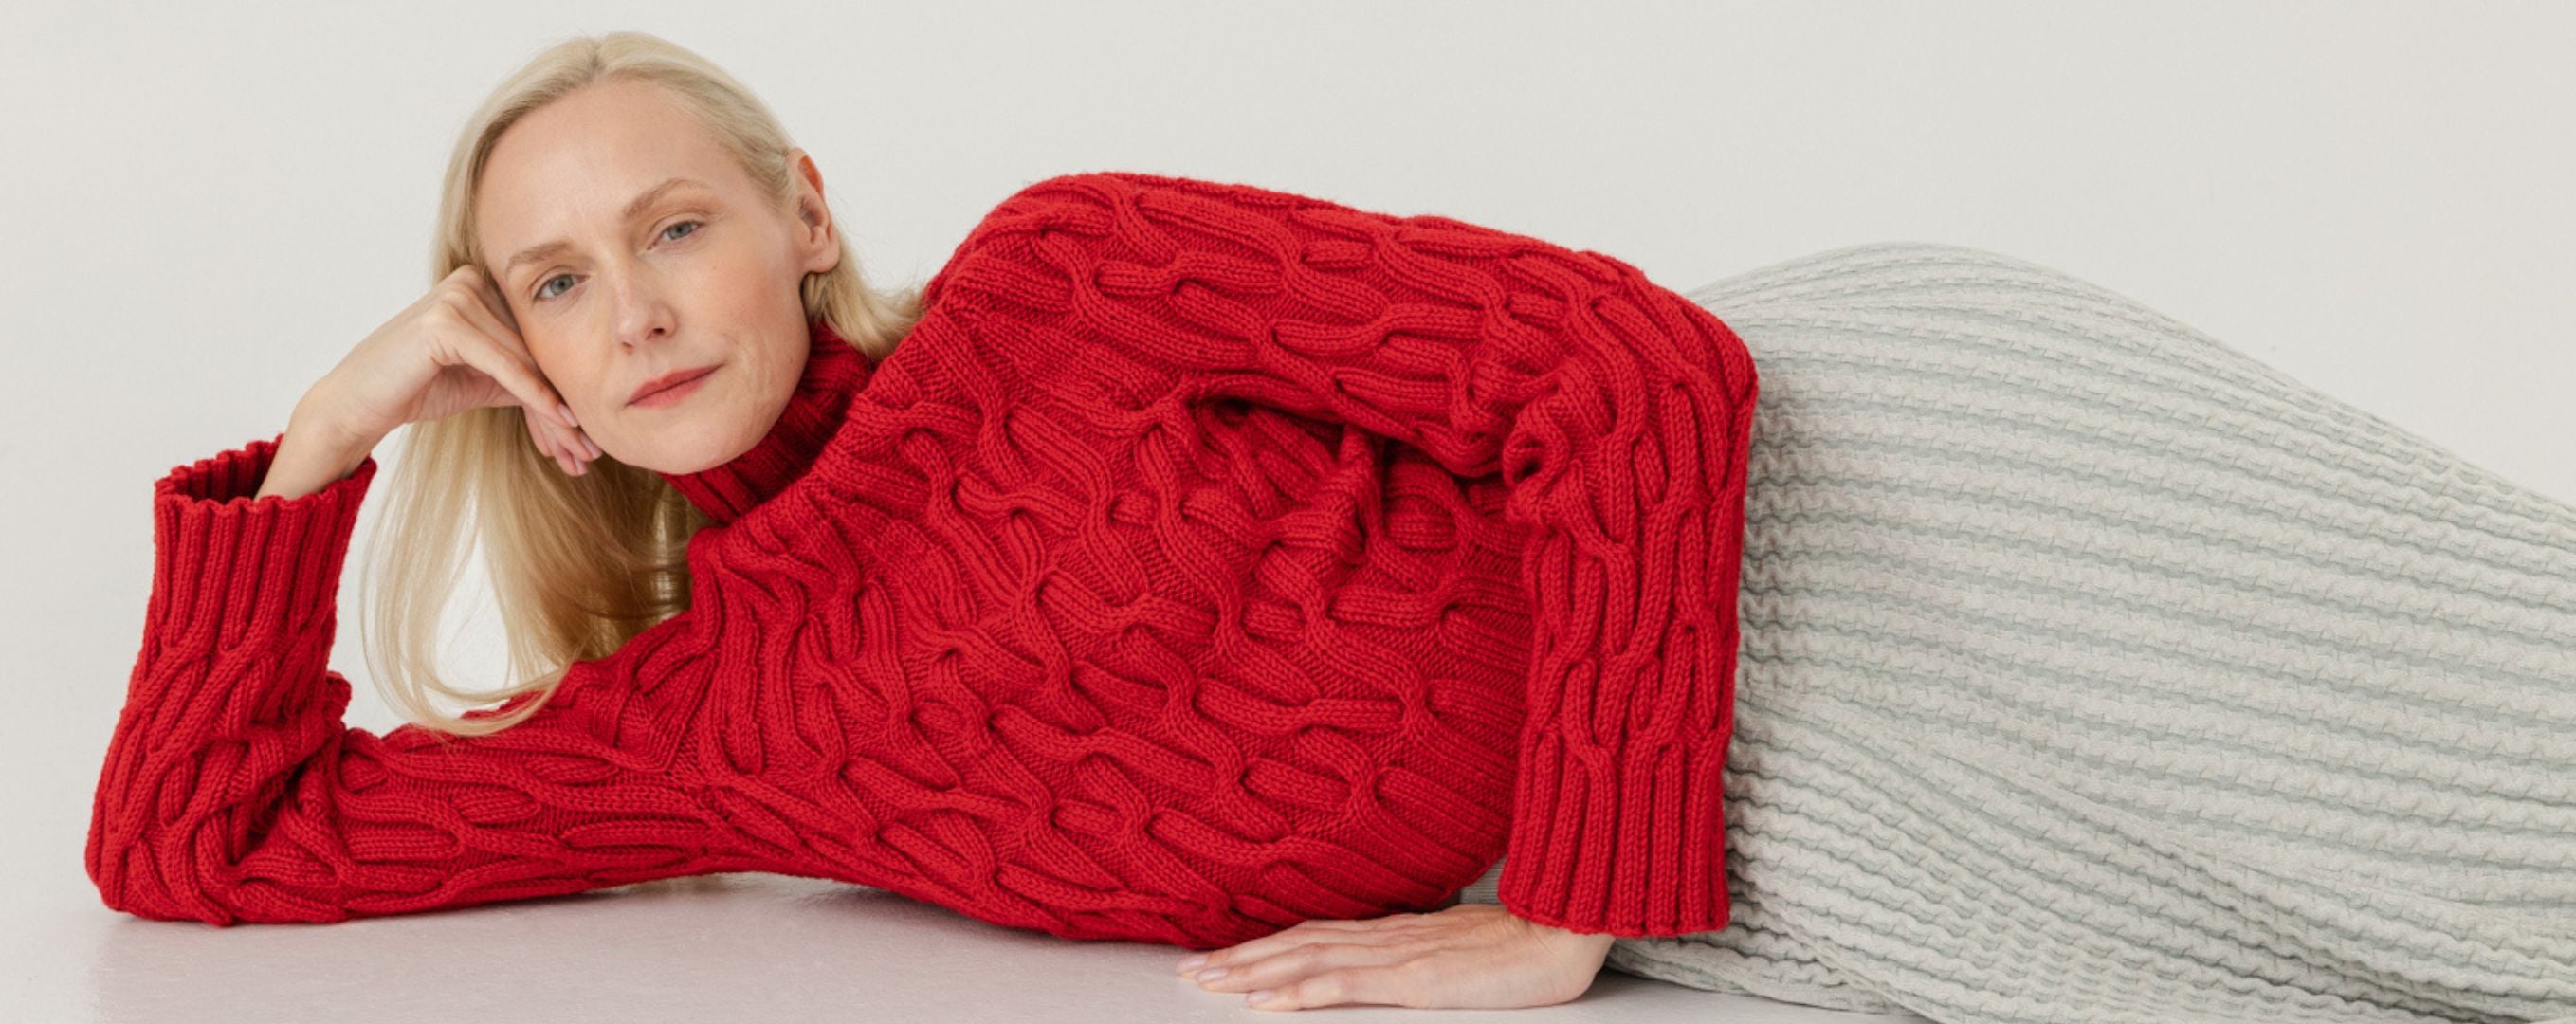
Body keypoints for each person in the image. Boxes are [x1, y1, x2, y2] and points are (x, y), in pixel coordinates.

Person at [88, 29, 1761, 1015]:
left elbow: (1640, 370)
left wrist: (1572, 911)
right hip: (1761, 862)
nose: (637, 315)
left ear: (804, 214)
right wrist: (327, 434)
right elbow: (195, 846)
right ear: (522, 357)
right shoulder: (714, 725)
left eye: (674, 229)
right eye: (558, 284)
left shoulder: (1072, 281)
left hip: (1779, 551)